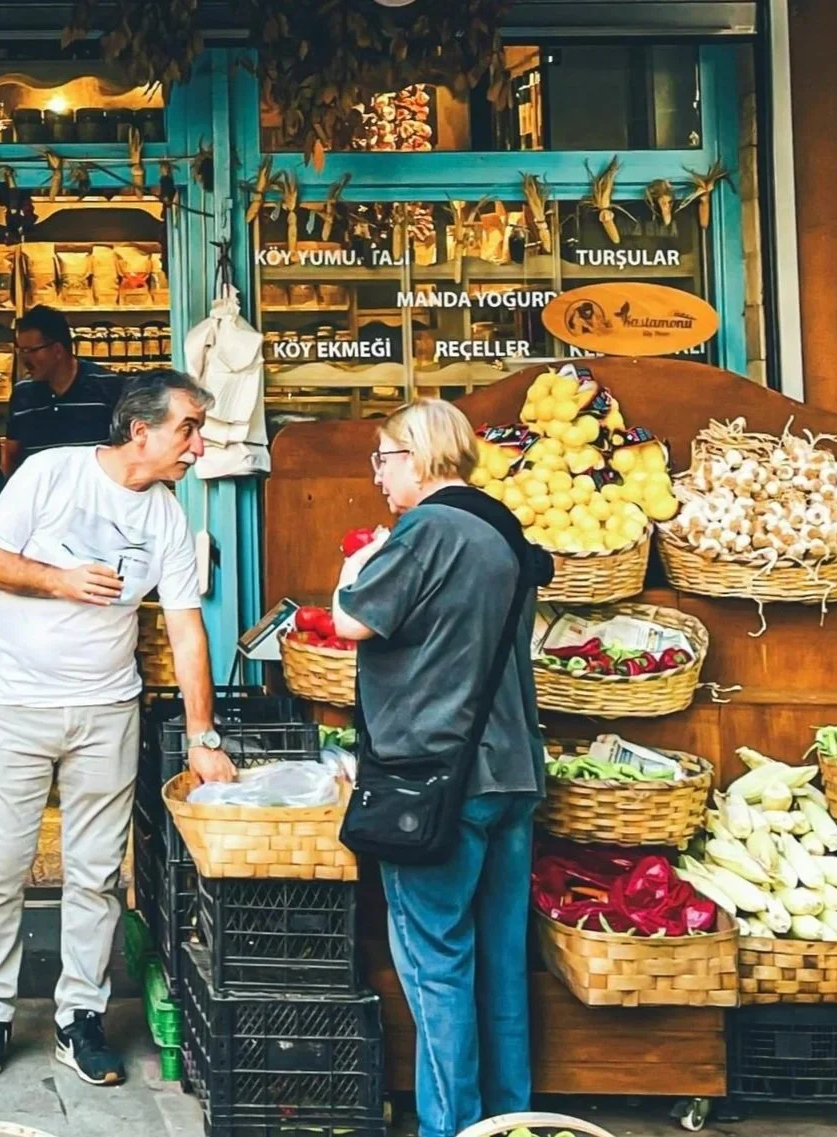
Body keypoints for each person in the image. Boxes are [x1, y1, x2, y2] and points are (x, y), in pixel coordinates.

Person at [0, 370, 235, 1085]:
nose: (198, 447)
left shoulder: (168, 515)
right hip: (17, 702)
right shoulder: (50, 473)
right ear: (141, 430)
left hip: (107, 708)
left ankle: (80, 1015)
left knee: (97, 874)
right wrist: (59, 578)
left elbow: (186, 628)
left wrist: (203, 737)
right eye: (189, 429)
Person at [329, 398, 550, 1137]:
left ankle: (450, 1128)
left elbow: (353, 620)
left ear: (419, 458)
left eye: (384, 458)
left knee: (436, 962)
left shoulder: (425, 529)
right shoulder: (502, 526)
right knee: (501, 961)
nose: (379, 475)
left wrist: (354, 568)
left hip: (437, 780)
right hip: (511, 771)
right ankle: (509, 1120)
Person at [3, 304, 122, 475]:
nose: (24, 359)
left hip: (93, 498)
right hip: (42, 499)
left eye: (31, 351)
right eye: (21, 351)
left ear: (57, 350)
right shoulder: (22, 394)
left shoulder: (108, 386)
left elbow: (125, 451)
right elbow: (11, 457)